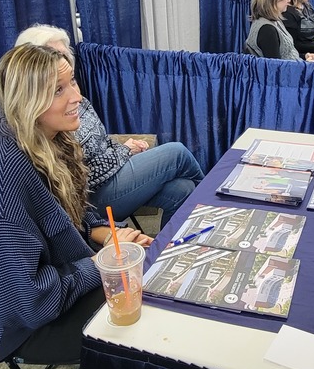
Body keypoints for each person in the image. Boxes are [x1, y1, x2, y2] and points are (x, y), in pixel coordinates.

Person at [0, 45, 153, 364]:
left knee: (150, 271)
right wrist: (102, 262)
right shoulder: (1, 189)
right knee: (152, 304)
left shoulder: (47, 139)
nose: (76, 97)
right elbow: (28, 303)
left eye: (72, 82)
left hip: (65, 283)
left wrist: (104, 236)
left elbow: (70, 211)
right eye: (58, 90)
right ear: (27, 101)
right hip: (32, 327)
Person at [15, 25, 204, 227]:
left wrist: (122, 149)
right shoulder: (50, 123)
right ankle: (216, 206)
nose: (64, 62)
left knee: (182, 189)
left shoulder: (76, 97)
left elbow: (101, 141)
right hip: (94, 195)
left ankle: (171, 248)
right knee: (177, 153)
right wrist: (124, 151)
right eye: (54, 56)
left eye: (65, 56)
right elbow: (83, 174)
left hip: (112, 172)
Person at [245, 0, 314, 61]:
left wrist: (305, 57)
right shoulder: (267, 30)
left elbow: (286, 56)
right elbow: (275, 69)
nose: (289, 0)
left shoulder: (275, 21)